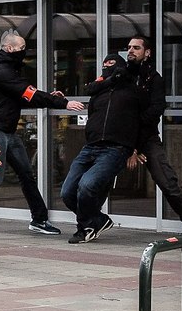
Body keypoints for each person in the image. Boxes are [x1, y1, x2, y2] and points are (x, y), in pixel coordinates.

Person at [0, 30, 84, 239]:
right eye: (21, 48)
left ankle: (39, 219)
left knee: (26, 175)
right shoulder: (0, 72)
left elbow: (25, 96)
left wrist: (49, 97)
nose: (24, 52)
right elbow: (29, 93)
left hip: (9, 134)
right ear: (8, 48)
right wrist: (63, 103)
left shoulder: (8, 70)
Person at [60, 54, 147, 244]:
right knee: (67, 192)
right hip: (91, 146)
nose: (107, 69)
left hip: (115, 148)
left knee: (87, 185)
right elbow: (92, 117)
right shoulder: (98, 91)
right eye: (104, 65)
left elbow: (143, 122)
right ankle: (98, 220)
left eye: (111, 66)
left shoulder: (133, 91)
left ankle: (86, 227)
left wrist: (135, 149)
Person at [125, 35, 182, 238]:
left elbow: (156, 109)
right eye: (129, 47)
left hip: (146, 139)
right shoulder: (122, 76)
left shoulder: (154, 79)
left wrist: (137, 146)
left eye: (136, 48)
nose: (131, 51)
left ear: (147, 52)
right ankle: (90, 223)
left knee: (167, 181)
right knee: (98, 178)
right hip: (122, 139)